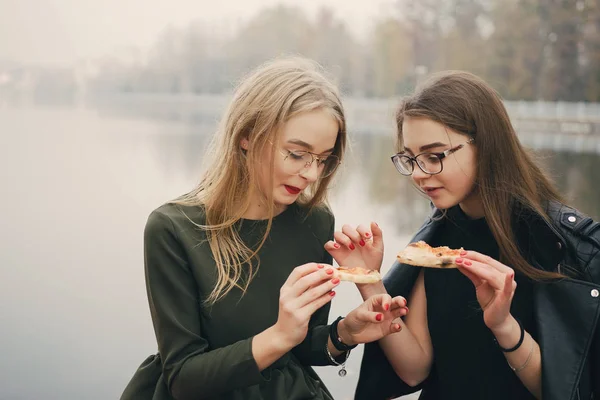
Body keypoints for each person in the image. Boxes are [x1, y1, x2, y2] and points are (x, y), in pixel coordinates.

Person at [119, 57, 407, 400]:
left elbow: (300, 350)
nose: (312, 175)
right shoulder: (173, 229)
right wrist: (280, 335)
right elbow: (183, 379)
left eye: (323, 158)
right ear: (246, 137)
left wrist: (345, 333)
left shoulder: (315, 222)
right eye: (297, 154)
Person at [325, 71, 600, 400]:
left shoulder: (561, 245)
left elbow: (566, 389)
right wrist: (368, 280)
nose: (418, 174)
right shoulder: (439, 240)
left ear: (485, 146)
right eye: (410, 158)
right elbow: (415, 369)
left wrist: (502, 325)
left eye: (435, 156)